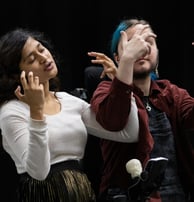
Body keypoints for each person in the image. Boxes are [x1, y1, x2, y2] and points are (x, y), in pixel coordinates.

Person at [0, 28, 140, 202]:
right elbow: (39, 172)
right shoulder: (11, 112)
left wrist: (122, 84)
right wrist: (36, 112)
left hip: (79, 191)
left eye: (41, 49)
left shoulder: (68, 101)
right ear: (17, 75)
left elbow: (128, 134)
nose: (44, 58)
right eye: (32, 59)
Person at [88, 18, 194, 202]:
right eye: (132, 43)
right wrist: (128, 61)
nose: (142, 48)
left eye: (149, 42)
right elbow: (114, 120)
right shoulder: (104, 91)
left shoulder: (171, 93)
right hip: (127, 196)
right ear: (117, 57)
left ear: (157, 53)